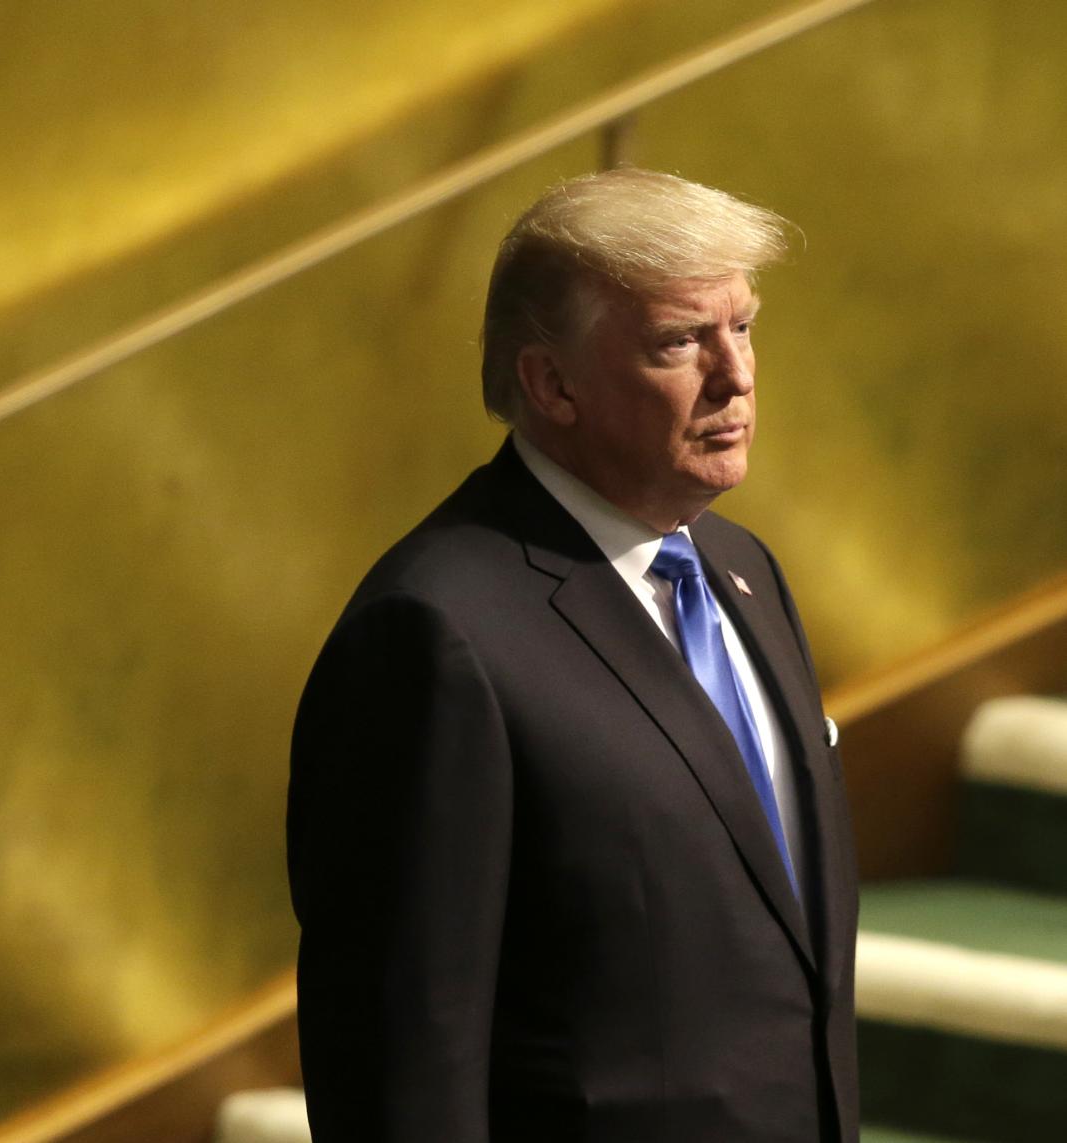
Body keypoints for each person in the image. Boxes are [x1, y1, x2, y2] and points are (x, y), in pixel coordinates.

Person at [286, 168, 859, 1143]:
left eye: (744, 326)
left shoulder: (744, 569)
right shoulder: (434, 633)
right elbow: (402, 1053)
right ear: (552, 384)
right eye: (679, 341)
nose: (736, 375)